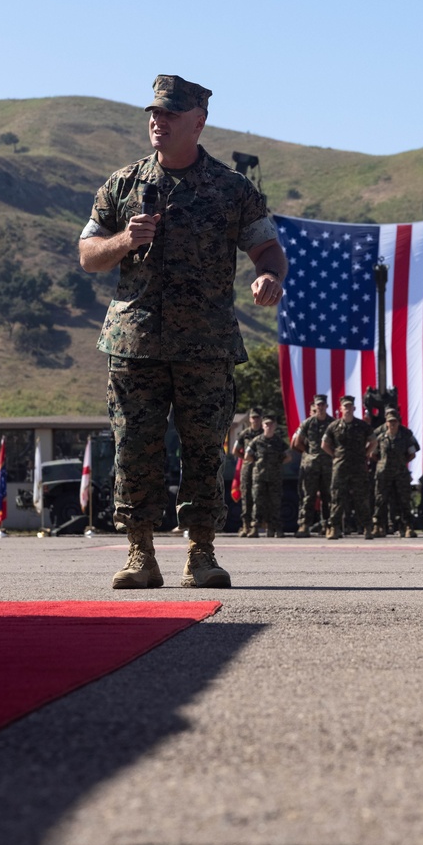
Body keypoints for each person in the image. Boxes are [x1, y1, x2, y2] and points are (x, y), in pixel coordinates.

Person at [79, 74, 287, 590]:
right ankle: (139, 553)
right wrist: (125, 239)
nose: (158, 120)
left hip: (205, 346)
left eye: (169, 113)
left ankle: (202, 553)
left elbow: (267, 248)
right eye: (154, 112)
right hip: (135, 343)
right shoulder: (122, 184)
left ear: (198, 121)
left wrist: (269, 276)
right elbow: (88, 254)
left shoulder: (232, 189)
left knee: (201, 449)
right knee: (134, 449)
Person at [322, 395, 374, 539]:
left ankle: (367, 528)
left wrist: (365, 454)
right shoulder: (333, 426)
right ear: (340, 409)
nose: (348, 409)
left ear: (354, 408)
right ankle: (334, 528)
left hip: (358, 467)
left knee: (361, 498)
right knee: (337, 498)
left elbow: (373, 441)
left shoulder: (362, 426)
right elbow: (324, 444)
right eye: (345, 407)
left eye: (350, 407)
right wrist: (334, 456)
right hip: (340, 467)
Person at [372, 408, 419, 537]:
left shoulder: (405, 436)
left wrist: (401, 463)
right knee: (380, 499)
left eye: (394, 421)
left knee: (404, 500)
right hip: (384, 474)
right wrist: (383, 464)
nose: (392, 424)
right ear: (386, 423)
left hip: (400, 473)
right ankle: (378, 526)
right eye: (390, 422)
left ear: (398, 422)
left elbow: (412, 454)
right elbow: (373, 454)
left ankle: (408, 526)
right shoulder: (380, 437)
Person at [291, 393, 333, 536]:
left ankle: (328, 525)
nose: (320, 407)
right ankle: (304, 525)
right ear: (315, 406)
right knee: (309, 496)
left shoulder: (332, 423)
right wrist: (309, 452)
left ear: (326, 406)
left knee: (328, 496)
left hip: (328, 465)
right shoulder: (308, 423)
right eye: (318, 405)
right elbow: (297, 442)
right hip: (311, 466)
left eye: (323, 405)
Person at [250, 415, 291, 536]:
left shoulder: (279, 442)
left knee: (275, 503)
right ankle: (255, 528)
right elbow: (247, 455)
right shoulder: (257, 441)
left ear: (275, 426)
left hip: (275, 477)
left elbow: (288, 457)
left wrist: (278, 464)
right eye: (266, 424)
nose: (269, 426)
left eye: (271, 424)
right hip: (260, 477)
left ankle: (275, 528)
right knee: (258, 502)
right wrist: (258, 463)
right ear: (262, 426)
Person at [232, 406, 264, 537]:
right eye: (253, 417)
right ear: (250, 419)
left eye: (258, 417)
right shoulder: (245, 434)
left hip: (261, 469)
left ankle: (256, 526)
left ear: (261, 419)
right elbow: (235, 450)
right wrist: (245, 459)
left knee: (259, 497)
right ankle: (245, 526)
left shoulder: (265, 432)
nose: (255, 420)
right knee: (246, 497)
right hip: (247, 468)